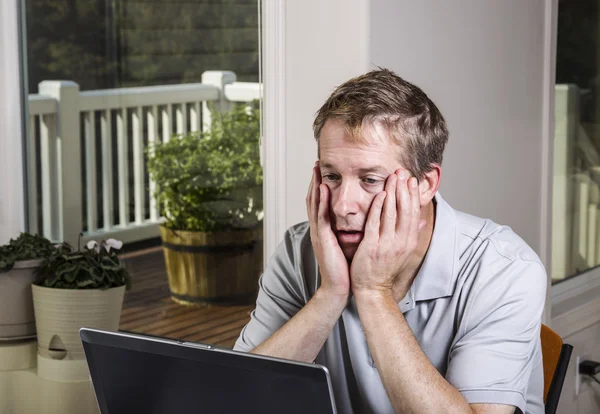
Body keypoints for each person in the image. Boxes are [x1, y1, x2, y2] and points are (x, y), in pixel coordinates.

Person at [234, 69, 546, 414]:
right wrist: (330, 294)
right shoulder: (300, 250)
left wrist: (372, 292)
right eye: (332, 176)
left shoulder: (503, 267)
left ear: (426, 184)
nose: (342, 205)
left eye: (369, 179)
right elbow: (235, 397)